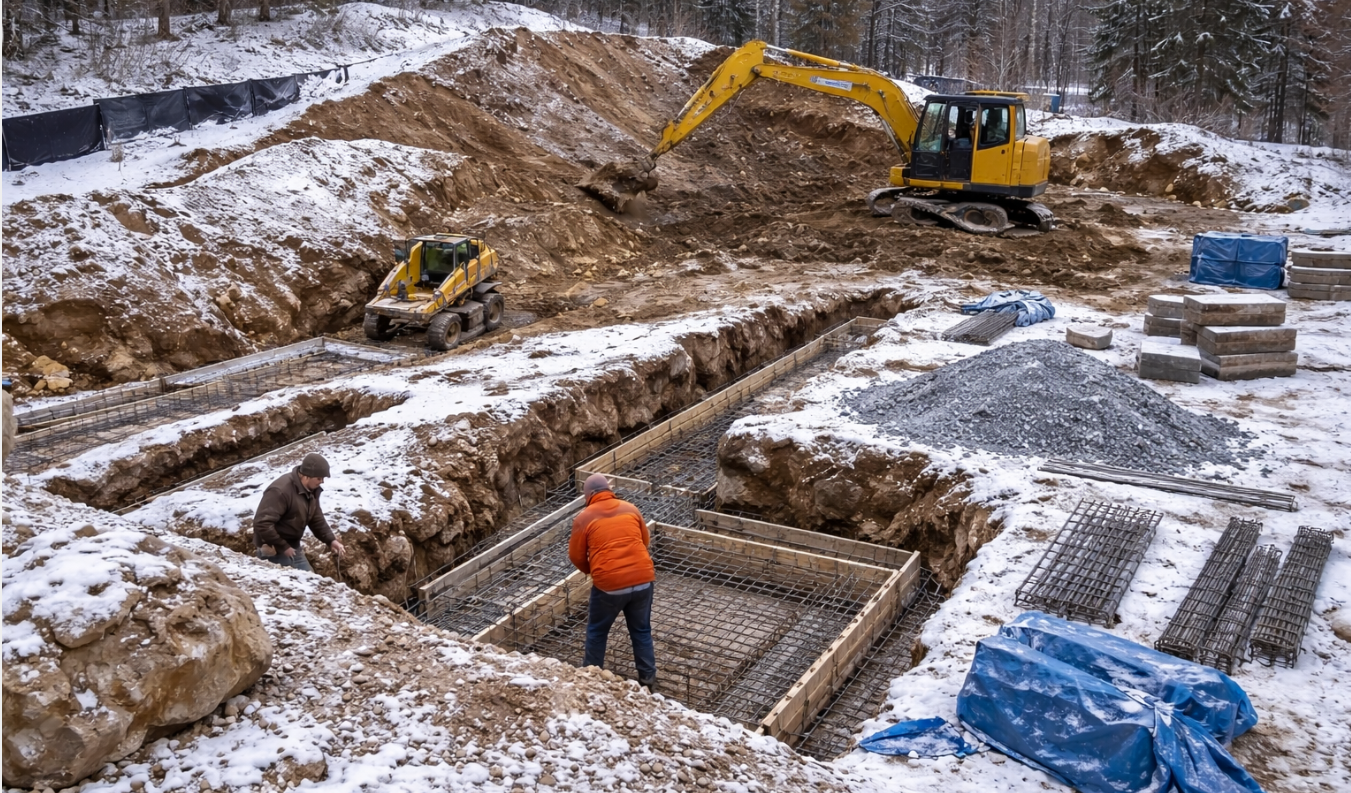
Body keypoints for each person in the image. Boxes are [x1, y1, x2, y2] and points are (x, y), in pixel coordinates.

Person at [568, 473, 657, 692]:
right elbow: (645, 541)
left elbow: (576, 556)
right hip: (644, 579)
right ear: (608, 489)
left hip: (609, 585)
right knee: (642, 630)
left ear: (588, 495)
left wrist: (596, 572)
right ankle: (648, 679)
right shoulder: (630, 508)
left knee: (598, 631)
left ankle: (591, 679)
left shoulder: (584, 517)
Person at [253, 453, 346, 572]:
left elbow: (316, 518)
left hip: (293, 546)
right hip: (274, 549)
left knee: (311, 581)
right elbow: (262, 523)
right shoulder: (280, 491)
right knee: (289, 586)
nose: (322, 482)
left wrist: (331, 540)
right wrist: (283, 546)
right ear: (307, 476)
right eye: (319, 478)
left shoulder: (311, 490)